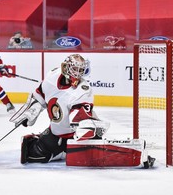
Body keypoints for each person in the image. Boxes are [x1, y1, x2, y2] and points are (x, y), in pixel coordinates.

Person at [10, 54, 155, 168]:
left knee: (88, 154)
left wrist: (84, 130)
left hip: (75, 135)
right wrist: (30, 113)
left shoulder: (83, 90)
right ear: (66, 68)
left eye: (81, 70)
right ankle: (57, 147)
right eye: (75, 69)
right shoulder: (52, 77)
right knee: (34, 155)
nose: (78, 74)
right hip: (56, 132)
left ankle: (91, 145)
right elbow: (39, 96)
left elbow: (80, 115)